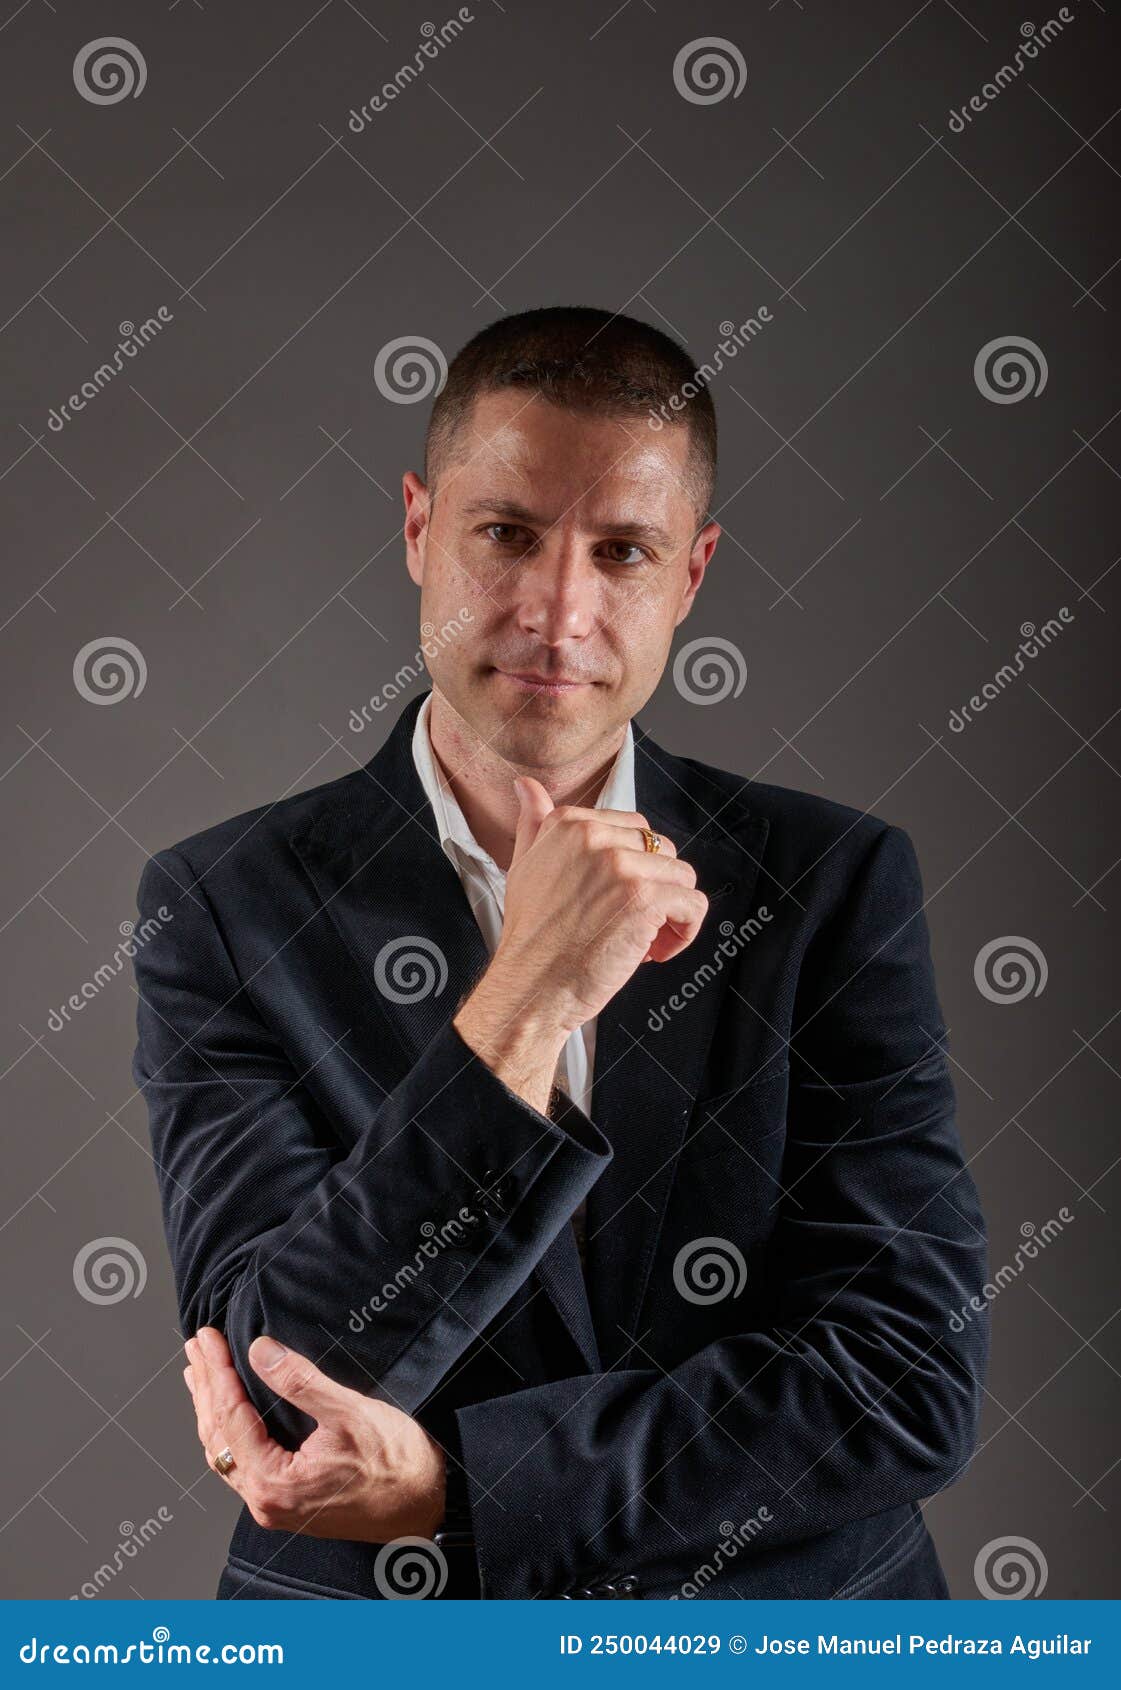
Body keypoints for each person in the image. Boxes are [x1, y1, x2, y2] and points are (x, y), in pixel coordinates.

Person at [133, 306, 988, 1601]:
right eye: (507, 534)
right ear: (420, 529)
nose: (557, 609)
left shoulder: (828, 881)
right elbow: (284, 1380)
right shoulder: (221, 902)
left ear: (689, 575)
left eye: (622, 551)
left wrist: (459, 1488)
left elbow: (903, 1380)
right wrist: (523, 999)